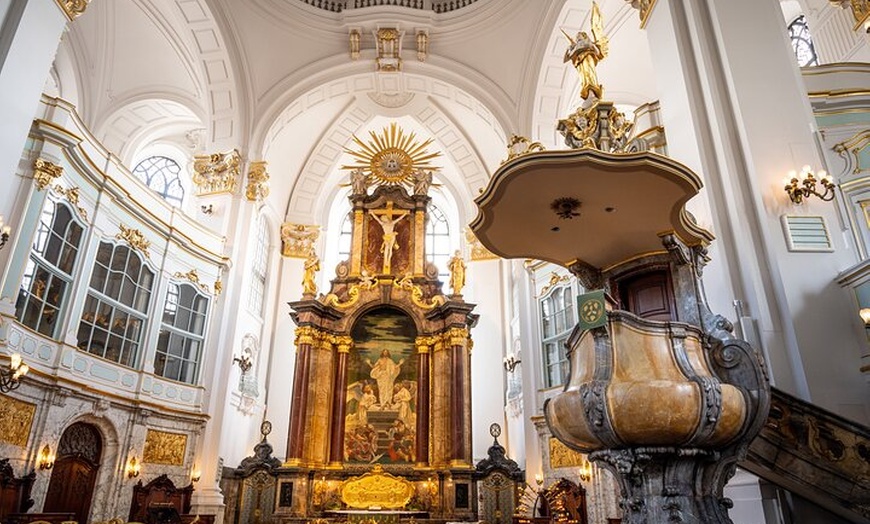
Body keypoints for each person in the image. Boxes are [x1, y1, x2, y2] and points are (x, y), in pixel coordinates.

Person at [369, 207, 409, 272]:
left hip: (390, 237)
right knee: (388, 248)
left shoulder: (384, 224)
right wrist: (405, 213)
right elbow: (399, 219)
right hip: (389, 237)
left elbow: (377, 219)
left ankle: (387, 261)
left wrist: (372, 213)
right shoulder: (391, 223)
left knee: (388, 248)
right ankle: (387, 261)